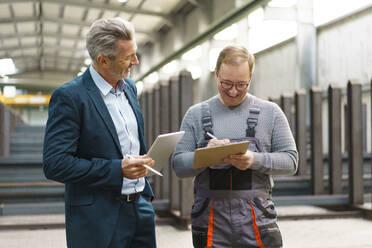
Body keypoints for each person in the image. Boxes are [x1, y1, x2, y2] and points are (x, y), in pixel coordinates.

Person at [43, 18, 156, 248]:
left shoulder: (129, 88)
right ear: (103, 60)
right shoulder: (70, 97)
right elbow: (55, 163)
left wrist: (145, 196)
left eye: (135, 54)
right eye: (128, 57)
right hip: (98, 220)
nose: (135, 61)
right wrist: (118, 169)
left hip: (140, 209)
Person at [172, 45, 298, 248]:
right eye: (226, 83)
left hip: (257, 220)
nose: (233, 91)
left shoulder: (270, 112)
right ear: (216, 74)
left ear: (251, 78)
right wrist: (205, 156)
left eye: (241, 85)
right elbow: (178, 165)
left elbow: (291, 161)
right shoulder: (195, 114)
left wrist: (254, 160)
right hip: (211, 221)